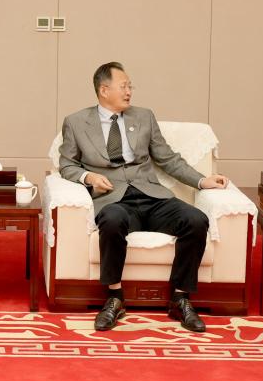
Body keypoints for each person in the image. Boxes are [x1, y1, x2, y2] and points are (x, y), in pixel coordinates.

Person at [58, 62, 230, 333]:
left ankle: (180, 298)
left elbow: (167, 158)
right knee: (111, 220)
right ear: (104, 90)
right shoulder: (76, 122)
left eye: (130, 86)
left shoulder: (144, 116)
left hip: (152, 196)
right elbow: (67, 164)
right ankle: (115, 297)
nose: (129, 91)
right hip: (113, 199)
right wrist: (88, 177)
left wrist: (201, 180)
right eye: (124, 86)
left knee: (196, 220)